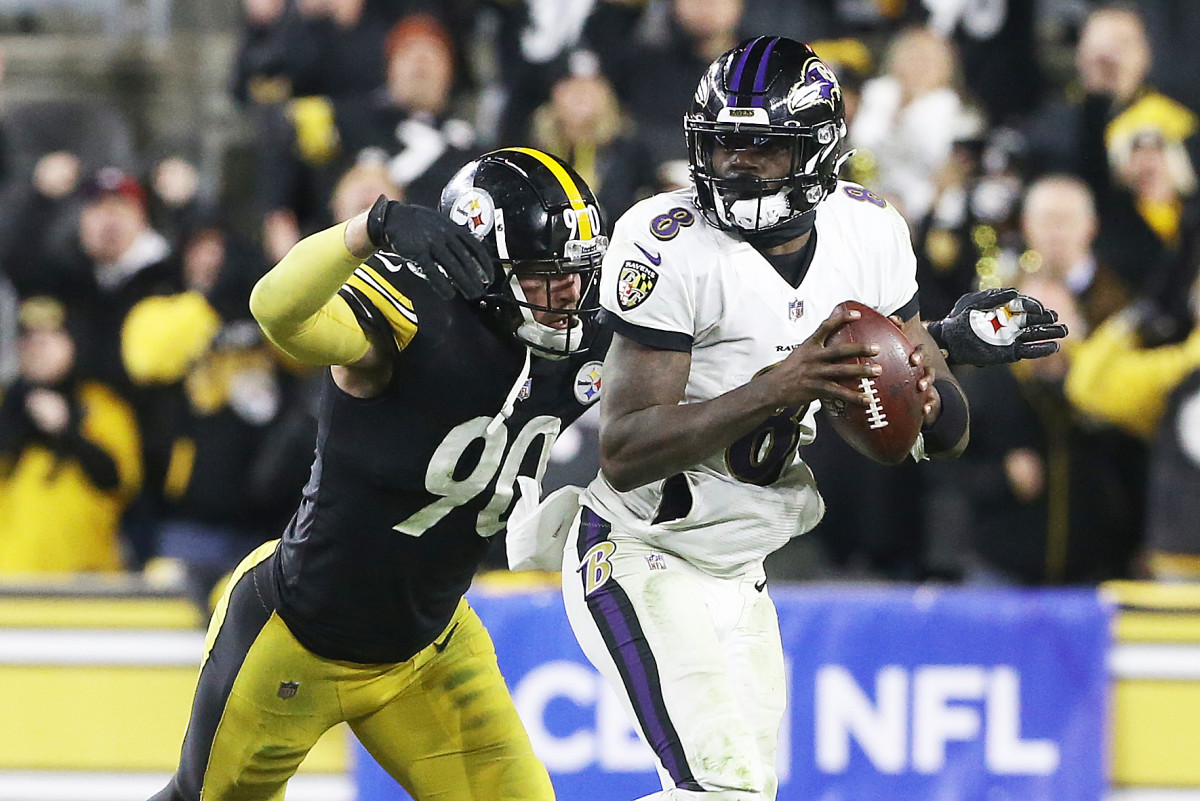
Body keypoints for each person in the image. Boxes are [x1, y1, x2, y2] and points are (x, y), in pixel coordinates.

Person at [558, 37, 1063, 801]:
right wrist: (781, 384)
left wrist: (943, 352)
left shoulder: (870, 231)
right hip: (638, 551)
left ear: (818, 149)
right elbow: (625, 450)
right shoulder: (667, 240)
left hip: (741, 566)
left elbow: (938, 434)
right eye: (723, 142)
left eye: (762, 145)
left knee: (742, 793)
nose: (737, 163)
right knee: (720, 787)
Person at [148, 146, 611, 801]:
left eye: (578, 271)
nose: (569, 293)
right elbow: (277, 310)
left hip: (429, 647)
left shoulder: (593, 334)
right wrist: (368, 226)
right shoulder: (414, 314)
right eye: (543, 272)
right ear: (478, 266)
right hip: (297, 637)